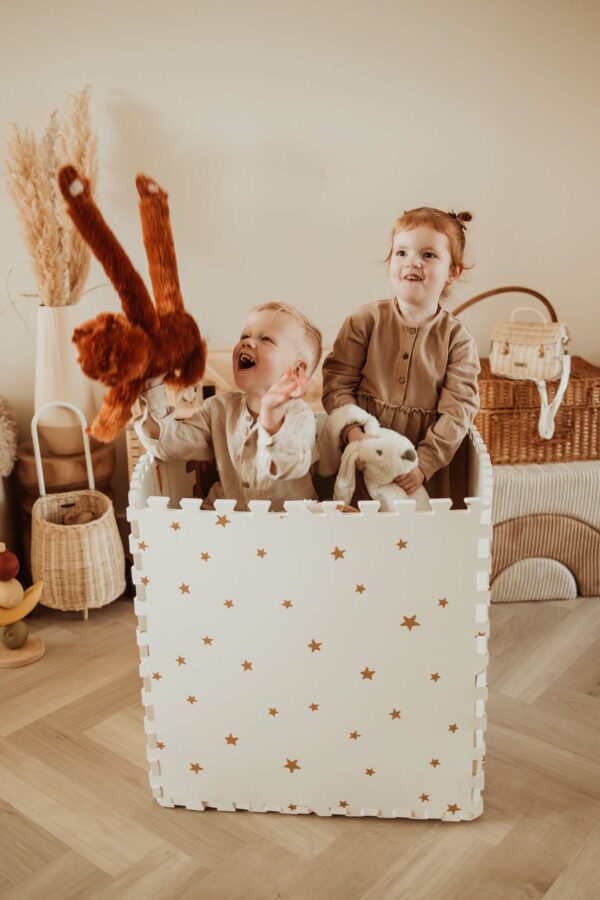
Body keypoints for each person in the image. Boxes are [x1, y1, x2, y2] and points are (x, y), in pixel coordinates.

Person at [320, 208, 480, 505]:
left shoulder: (457, 340)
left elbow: (458, 412)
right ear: (390, 261)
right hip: (367, 449)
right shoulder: (363, 322)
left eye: (429, 255)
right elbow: (337, 384)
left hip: (419, 461)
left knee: (414, 533)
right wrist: (354, 433)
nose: (413, 262)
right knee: (359, 525)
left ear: (453, 272)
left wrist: (424, 464)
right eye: (402, 252)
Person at [135, 302, 322, 510]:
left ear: (296, 372)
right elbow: (168, 444)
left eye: (266, 339)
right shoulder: (218, 408)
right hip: (228, 520)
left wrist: (271, 420)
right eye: (244, 336)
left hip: (289, 527)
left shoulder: (300, 415)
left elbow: (288, 466)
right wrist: (151, 383)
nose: (248, 342)